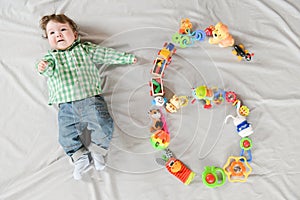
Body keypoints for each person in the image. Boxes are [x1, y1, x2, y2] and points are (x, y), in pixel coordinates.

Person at [36, 14, 137, 180]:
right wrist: (44, 67)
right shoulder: (51, 58)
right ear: (48, 39)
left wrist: (126, 58)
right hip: (66, 106)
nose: (58, 35)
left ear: (75, 35)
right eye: (52, 33)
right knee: (65, 136)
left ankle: (98, 150)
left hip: (91, 100)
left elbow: (105, 55)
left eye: (63, 30)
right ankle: (79, 157)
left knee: (103, 125)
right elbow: (47, 70)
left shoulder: (85, 49)